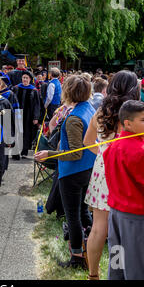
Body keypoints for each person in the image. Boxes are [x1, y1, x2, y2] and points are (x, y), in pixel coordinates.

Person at [83, 70, 140, 280]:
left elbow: (87, 142)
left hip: (103, 169)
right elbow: (143, 148)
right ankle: (118, 273)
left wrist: (105, 155)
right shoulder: (136, 114)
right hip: (126, 171)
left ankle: (93, 275)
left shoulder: (101, 111)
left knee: (99, 227)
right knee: (121, 229)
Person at [34, 75, 96, 269]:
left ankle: (77, 257)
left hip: (74, 172)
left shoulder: (74, 118)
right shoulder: (89, 108)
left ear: (68, 91)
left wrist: (49, 153)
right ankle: (92, 245)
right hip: (87, 168)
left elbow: (75, 153)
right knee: (83, 211)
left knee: (73, 216)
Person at [104, 100, 144, 280]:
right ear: (127, 123)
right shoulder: (142, 151)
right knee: (136, 267)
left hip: (115, 214)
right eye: (143, 120)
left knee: (117, 262)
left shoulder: (112, 145)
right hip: (135, 217)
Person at [12, 71, 40, 159]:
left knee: (26, 133)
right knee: (16, 132)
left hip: (28, 116)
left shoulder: (34, 90)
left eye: (26, 78)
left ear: (30, 79)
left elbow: (37, 105)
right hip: (17, 114)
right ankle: (15, 152)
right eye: (23, 77)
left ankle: (24, 151)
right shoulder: (16, 88)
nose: (25, 79)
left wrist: (36, 117)